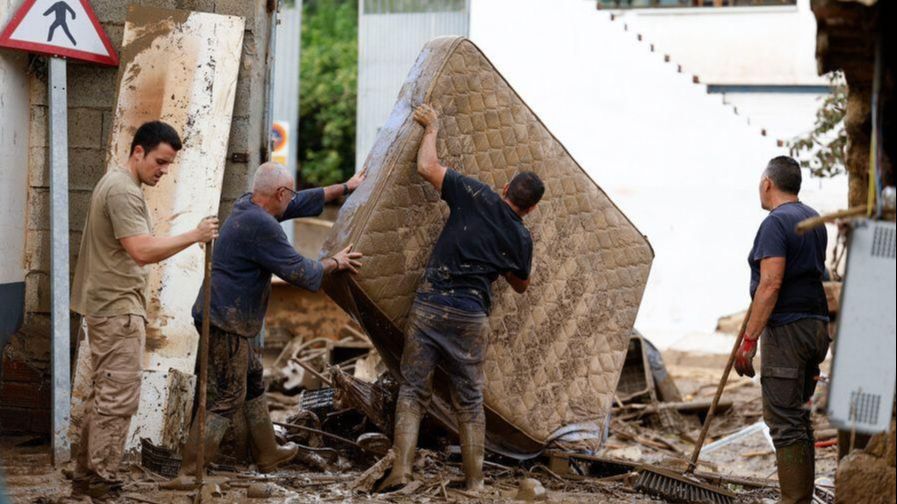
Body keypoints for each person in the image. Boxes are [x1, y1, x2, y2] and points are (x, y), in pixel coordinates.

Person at [164, 162, 364, 486]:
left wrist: (345, 187)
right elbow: (301, 272)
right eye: (290, 194)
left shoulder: (250, 204)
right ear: (280, 193)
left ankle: (268, 452)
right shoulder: (261, 225)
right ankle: (189, 471)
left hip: (228, 316)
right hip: (225, 321)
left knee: (253, 380)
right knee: (228, 396)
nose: (293, 200)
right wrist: (334, 262)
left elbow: (299, 202)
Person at [379, 104, 545, 493]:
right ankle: (475, 483)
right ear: (531, 208)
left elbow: (427, 167)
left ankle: (401, 471)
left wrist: (432, 128)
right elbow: (522, 285)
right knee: (469, 401)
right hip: (471, 317)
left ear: (505, 189)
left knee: (413, 389)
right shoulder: (522, 238)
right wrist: (500, 259)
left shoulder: (475, 193)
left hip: (431, 306)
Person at [70, 121, 219, 498]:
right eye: (160, 162)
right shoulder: (123, 191)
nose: (163, 170)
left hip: (109, 305)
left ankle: (86, 477)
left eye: (168, 164)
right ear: (138, 152)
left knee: (104, 395)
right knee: (118, 399)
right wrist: (195, 235)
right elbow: (141, 250)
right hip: (117, 309)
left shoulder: (117, 183)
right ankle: (101, 479)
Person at [735, 155, 830, 504]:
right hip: (816, 327)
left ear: (767, 184)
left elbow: (771, 283)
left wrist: (749, 341)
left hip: (788, 331)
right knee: (798, 419)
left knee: (784, 422)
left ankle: (794, 500)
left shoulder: (775, 223)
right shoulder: (813, 219)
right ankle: (801, 497)